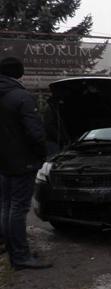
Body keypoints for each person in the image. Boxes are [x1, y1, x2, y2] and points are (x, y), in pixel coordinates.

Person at [0, 57, 52, 270]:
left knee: (6, 206)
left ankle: (13, 250)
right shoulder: (21, 96)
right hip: (23, 163)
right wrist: (42, 156)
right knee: (19, 209)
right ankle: (21, 257)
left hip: (3, 163)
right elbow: (36, 133)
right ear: (18, 73)